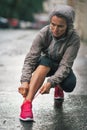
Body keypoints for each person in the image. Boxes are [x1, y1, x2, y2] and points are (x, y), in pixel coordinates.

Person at [18, 5, 80, 121]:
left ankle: (58, 86)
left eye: (60, 26)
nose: (55, 29)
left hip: (60, 66)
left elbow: (65, 65)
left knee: (70, 84)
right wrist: (25, 81)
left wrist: (51, 83)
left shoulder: (74, 39)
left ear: (68, 26)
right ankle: (26, 104)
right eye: (53, 24)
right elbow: (31, 58)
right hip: (44, 63)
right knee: (45, 61)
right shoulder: (44, 33)